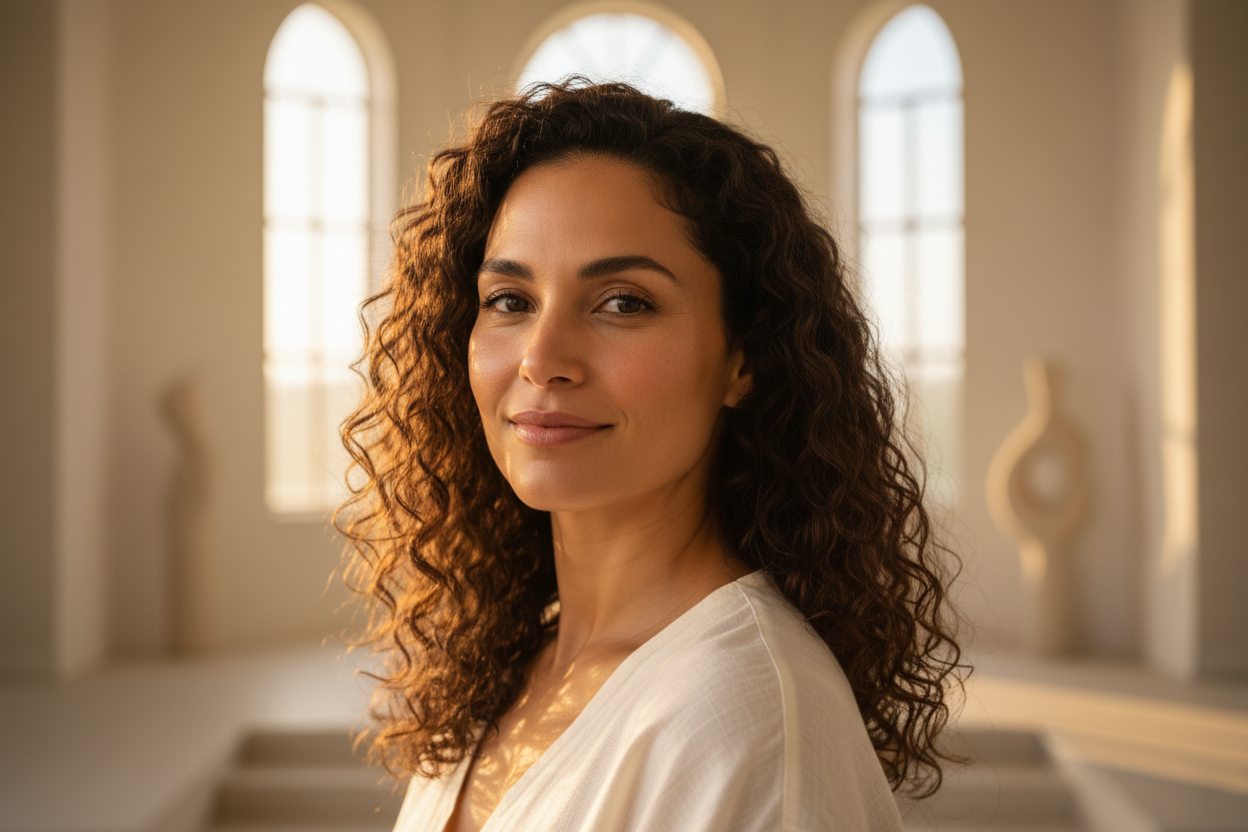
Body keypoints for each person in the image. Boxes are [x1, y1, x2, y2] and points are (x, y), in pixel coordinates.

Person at [338, 80, 963, 832]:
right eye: (510, 300)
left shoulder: (746, 717)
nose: (543, 359)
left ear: (743, 357)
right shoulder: (515, 670)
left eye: (623, 302)